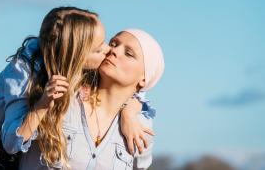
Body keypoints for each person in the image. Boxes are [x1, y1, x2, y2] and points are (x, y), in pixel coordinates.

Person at [0, 7, 154, 169]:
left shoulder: (86, 76)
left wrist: (129, 110)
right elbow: (12, 142)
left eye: (105, 41)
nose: (109, 50)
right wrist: (43, 103)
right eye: (100, 47)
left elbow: (137, 90)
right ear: (77, 56)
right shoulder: (26, 71)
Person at [19, 29, 165, 170]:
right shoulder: (62, 94)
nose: (114, 51)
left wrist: (130, 110)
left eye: (128, 53)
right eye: (113, 44)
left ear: (144, 79)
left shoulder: (141, 127)